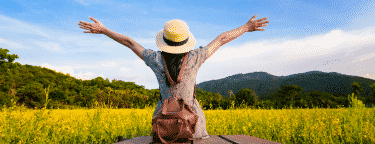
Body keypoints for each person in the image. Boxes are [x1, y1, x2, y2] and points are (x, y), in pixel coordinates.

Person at [78, 14, 269, 141]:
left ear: (165, 41)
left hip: (163, 126)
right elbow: (222, 39)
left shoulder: (155, 59)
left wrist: (103, 30)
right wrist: (247, 27)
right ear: (186, 41)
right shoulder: (196, 57)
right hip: (194, 126)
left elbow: (129, 42)